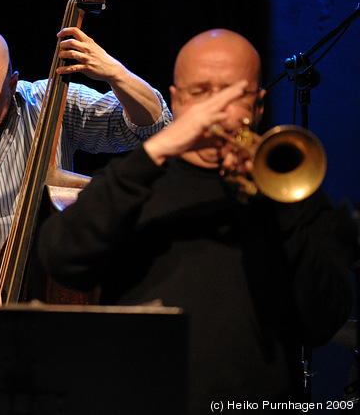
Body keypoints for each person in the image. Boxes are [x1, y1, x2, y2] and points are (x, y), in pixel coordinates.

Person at [37, 28, 356, 412]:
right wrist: (155, 149)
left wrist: (280, 202)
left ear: (257, 106)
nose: (216, 110)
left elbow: (322, 320)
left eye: (233, 93)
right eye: (201, 93)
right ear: (176, 100)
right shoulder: (134, 182)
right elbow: (60, 257)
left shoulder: (292, 187)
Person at [0, 27, 172, 306]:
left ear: (12, 85)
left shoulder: (50, 104)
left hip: (53, 302)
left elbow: (153, 128)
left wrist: (115, 73)